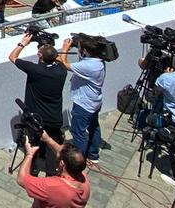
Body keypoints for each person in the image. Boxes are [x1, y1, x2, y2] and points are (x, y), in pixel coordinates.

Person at [9, 36, 68, 176]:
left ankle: (32, 169)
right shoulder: (61, 70)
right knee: (51, 146)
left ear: (40, 56)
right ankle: (51, 173)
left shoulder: (35, 69)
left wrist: (22, 43)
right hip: (54, 117)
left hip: (35, 117)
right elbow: (58, 59)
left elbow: (12, 57)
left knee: (33, 144)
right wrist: (63, 48)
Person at [58, 36, 105, 164]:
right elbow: (83, 60)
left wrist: (65, 49)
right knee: (94, 126)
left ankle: (78, 161)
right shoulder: (98, 61)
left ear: (86, 51)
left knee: (78, 132)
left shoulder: (88, 66)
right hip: (95, 101)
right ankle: (93, 155)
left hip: (84, 104)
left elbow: (64, 64)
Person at [16, 134, 90, 208]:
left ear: (61, 163)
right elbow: (63, 154)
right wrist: (48, 139)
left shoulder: (52, 186)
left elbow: (21, 179)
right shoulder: (84, 179)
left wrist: (29, 154)